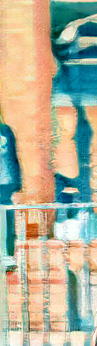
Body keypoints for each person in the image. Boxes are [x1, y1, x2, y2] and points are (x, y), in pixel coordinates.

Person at [0, 111, 22, 271]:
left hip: (7, 184)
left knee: (8, 221)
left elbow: (13, 157)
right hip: (8, 183)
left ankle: (8, 255)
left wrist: (17, 184)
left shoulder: (6, 131)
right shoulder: (6, 131)